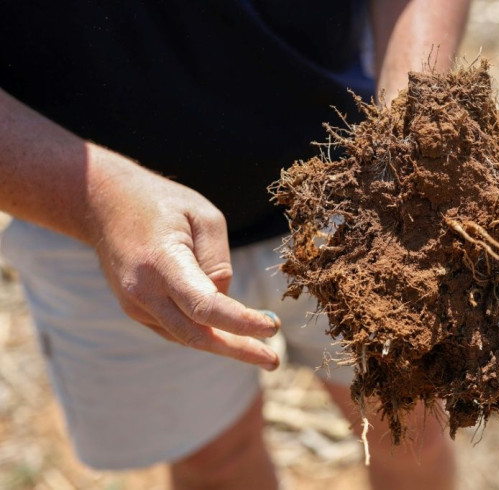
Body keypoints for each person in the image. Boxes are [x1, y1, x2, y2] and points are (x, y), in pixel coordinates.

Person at [0, 1, 470, 488]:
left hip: (357, 185)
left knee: (413, 430)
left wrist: (413, 127)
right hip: (92, 216)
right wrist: (95, 198)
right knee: (215, 462)